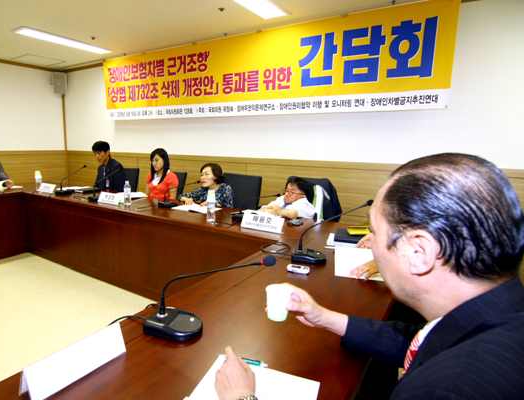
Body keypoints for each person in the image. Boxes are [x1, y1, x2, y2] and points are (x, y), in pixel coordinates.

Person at [216, 153, 524, 400]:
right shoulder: (494, 314)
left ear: (420, 251)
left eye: (374, 232)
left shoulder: (449, 388)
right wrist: (323, 316)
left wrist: (242, 397)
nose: (370, 244)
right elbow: (414, 339)